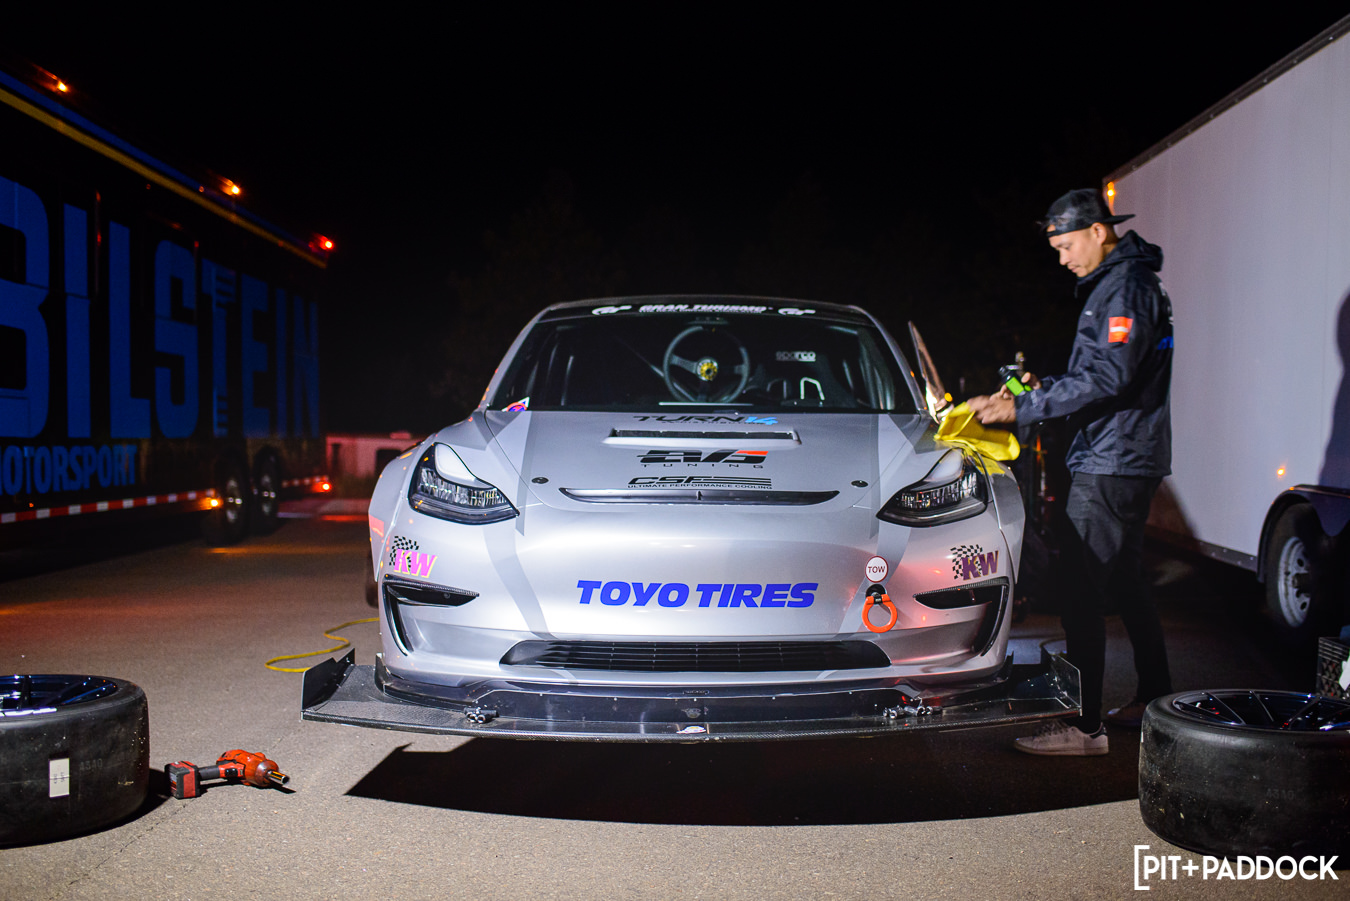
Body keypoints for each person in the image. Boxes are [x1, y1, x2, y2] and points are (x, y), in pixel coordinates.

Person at [967, 188, 1174, 756]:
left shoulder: (1125, 287)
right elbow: (1103, 373)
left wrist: (1025, 406)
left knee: (1082, 588)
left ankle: (1084, 728)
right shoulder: (1117, 284)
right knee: (1128, 584)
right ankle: (1157, 700)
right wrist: (1038, 391)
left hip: (1114, 457)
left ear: (1098, 231)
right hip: (1125, 453)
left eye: (1065, 245)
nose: (1062, 259)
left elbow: (1111, 376)